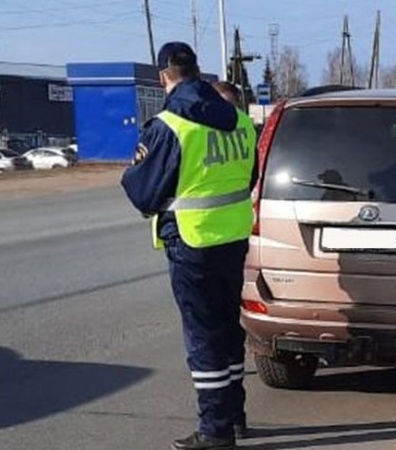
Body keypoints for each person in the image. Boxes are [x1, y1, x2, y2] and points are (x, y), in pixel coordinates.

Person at [121, 42, 257, 450]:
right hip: (232, 238)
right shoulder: (241, 121)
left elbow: (143, 191)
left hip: (192, 241)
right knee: (228, 331)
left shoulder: (169, 125)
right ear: (197, 71)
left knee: (203, 337)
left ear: (164, 76)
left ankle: (215, 430)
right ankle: (234, 418)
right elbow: (247, 181)